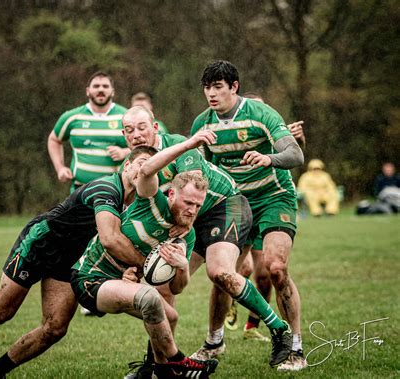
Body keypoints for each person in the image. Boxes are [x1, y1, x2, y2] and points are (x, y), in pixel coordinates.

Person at [0, 148, 152, 378]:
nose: (146, 170)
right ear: (127, 166)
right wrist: (147, 264)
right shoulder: (107, 188)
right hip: (40, 243)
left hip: (69, 258)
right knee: (0, 311)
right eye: (142, 162)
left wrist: (127, 271)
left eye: (152, 167)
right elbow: (110, 239)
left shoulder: (137, 205)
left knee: (55, 328)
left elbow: (116, 244)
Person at [121, 106, 293, 378]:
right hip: (186, 220)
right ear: (123, 135)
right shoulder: (131, 165)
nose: (137, 134)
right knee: (161, 288)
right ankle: (158, 365)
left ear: (155, 128)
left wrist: (181, 225)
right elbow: (133, 209)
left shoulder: (179, 146)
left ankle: (279, 329)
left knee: (220, 272)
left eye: (142, 127)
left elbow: (195, 189)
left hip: (225, 205)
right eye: (129, 130)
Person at [71, 127, 219, 378]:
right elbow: (147, 169)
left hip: (120, 284)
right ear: (172, 194)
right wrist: (189, 144)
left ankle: (158, 371)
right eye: (188, 203)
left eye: (198, 205)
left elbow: (177, 289)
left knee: (170, 316)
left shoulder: (187, 235)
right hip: (90, 278)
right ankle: (179, 363)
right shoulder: (150, 200)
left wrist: (182, 265)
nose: (193, 211)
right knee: (150, 298)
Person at [191, 60, 306, 371]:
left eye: (218, 87)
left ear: (234, 87)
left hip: (273, 197)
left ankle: (295, 346)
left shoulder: (262, 114)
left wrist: (268, 158)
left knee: (276, 269)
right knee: (222, 272)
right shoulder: (203, 124)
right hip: (233, 203)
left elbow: (296, 154)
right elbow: (201, 174)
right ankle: (214, 341)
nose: (211, 94)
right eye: (207, 88)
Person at [225, 92, 307, 341]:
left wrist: (299, 141)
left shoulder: (272, 128)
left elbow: (292, 155)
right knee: (230, 272)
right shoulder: (235, 136)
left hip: (271, 204)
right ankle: (217, 334)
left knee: (269, 272)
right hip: (240, 204)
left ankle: (255, 326)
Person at [48, 71, 130, 193]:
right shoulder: (72, 117)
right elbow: (54, 140)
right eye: (96, 86)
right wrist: (60, 168)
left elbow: (145, 146)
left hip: (116, 190)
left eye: (105, 86)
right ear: (88, 91)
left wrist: (125, 152)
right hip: (80, 190)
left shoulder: (126, 116)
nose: (100, 89)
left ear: (112, 91)